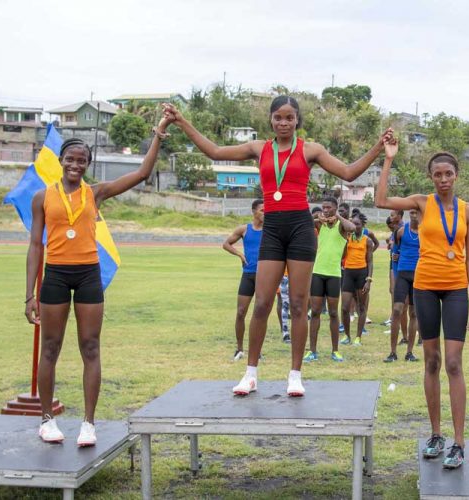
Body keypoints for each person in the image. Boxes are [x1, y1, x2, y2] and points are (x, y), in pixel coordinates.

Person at [163, 97, 392, 397]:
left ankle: (295, 375)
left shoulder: (311, 150)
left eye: (289, 118)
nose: (283, 123)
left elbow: (348, 173)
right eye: (278, 118)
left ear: (297, 120)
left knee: (299, 305)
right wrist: (181, 121)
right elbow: (215, 151)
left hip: (300, 229)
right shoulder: (259, 148)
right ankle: (250, 373)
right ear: (270, 120)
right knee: (261, 303)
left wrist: (378, 146)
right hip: (272, 230)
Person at [25, 117, 169, 445]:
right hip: (56, 275)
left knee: (90, 347)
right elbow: (35, 245)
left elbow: (142, 174)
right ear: (61, 161)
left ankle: (88, 424)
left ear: (88, 164)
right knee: (50, 347)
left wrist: (158, 135)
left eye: (82, 160)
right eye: (71, 159)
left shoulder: (96, 193)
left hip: (88, 273)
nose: (76, 165)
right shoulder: (42, 198)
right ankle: (47, 420)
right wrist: (29, 294)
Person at [375, 140, 469, 469]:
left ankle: (459, 442)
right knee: (431, 361)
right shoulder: (421, 203)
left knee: (453, 363)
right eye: (437, 174)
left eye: (448, 173)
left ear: (456, 176)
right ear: (431, 177)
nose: (443, 179)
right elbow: (380, 200)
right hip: (424, 288)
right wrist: (388, 160)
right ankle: (436, 435)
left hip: (454, 291)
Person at [304, 197, 354, 362]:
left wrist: (338, 217)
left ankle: (335, 351)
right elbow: (304, 220)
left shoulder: (341, 226)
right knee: (316, 312)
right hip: (318, 273)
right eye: (323, 207)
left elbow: (352, 227)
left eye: (329, 208)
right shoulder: (321, 224)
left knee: (333, 313)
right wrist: (318, 218)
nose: (325, 210)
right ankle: (312, 351)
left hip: (334, 274)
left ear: (336, 208)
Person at [222, 199, 264, 361]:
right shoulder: (244, 229)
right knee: (241, 312)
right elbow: (226, 244)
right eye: (262, 210)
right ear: (253, 211)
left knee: (259, 314)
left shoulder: (270, 230)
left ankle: (257, 350)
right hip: (248, 274)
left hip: (264, 277)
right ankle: (239, 349)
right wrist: (240, 254)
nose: (264, 213)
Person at [384, 208, 419, 363]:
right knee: (397, 310)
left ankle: (409, 352)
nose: (414, 215)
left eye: (417, 212)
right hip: (403, 276)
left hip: (419, 277)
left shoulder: (426, 233)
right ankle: (392, 352)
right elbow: (395, 256)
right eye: (412, 212)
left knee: (414, 314)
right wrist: (396, 278)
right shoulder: (400, 232)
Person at [340, 213, 375, 346]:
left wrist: (368, 280)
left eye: (358, 224)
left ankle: (358, 337)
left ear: (363, 225)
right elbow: (342, 256)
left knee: (361, 307)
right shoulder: (348, 238)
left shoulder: (368, 241)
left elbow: (370, 261)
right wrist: (344, 241)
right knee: (344, 307)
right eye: (353, 224)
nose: (355, 226)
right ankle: (347, 336)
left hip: (362, 274)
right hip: (348, 273)